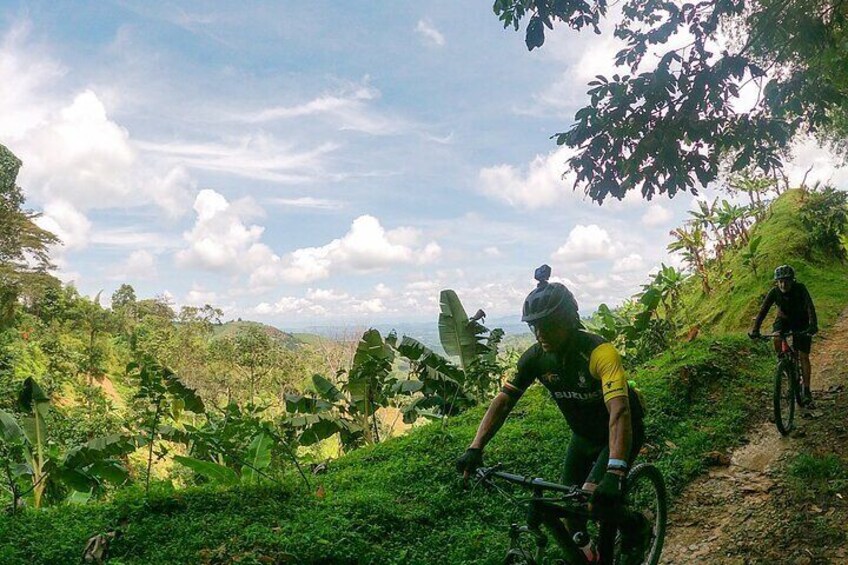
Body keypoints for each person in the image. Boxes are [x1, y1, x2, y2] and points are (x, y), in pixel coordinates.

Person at [456, 265, 647, 563]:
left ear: (568, 320)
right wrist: (475, 447)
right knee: (571, 512)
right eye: (535, 326)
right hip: (582, 437)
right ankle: (590, 556)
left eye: (548, 324)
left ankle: (634, 525)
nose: (540, 333)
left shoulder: (599, 352)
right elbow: (504, 401)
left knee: (591, 501)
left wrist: (615, 470)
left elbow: (619, 411)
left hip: (619, 432)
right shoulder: (536, 358)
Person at [749, 264, 818, 406]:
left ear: (793, 280)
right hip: (784, 321)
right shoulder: (774, 292)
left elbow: (810, 307)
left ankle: (806, 390)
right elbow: (763, 311)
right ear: (776, 282)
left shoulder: (800, 288)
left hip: (802, 322)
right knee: (776, 337)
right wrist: (755, 329)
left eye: (786, 280)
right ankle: (783, 363)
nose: (783, 284)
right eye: (780, 281)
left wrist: (813, 325)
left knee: (803, 356)